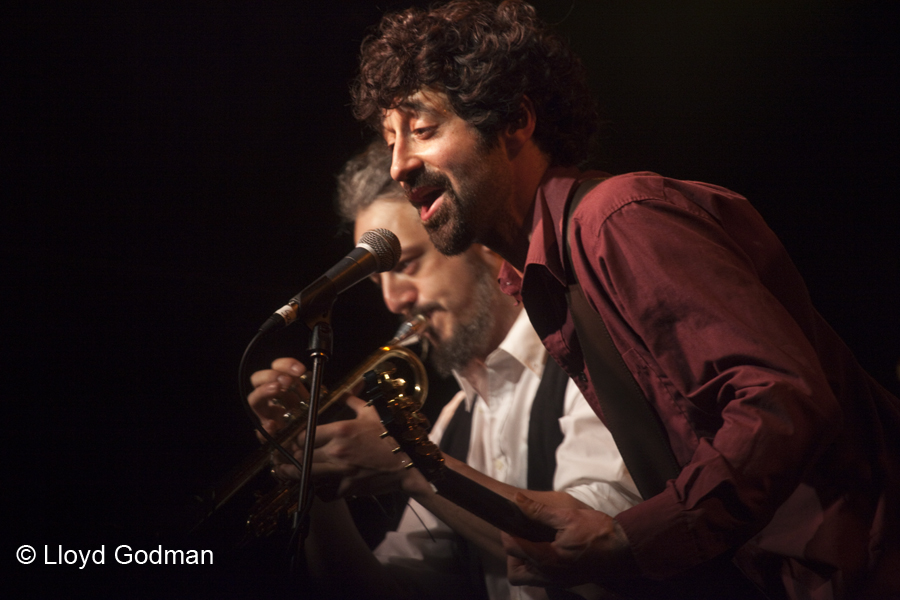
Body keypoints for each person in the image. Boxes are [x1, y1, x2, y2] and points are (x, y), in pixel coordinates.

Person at [349, 1, 900, 598]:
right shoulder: (542, 279)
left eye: (423, 130)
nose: (401, 164)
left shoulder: (618, 219)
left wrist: (634, 538)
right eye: (391, 139)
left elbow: (783, 399)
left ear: (515, 121)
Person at [248, 140, 640, 600]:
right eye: (379, 281)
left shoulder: (587, 368)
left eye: (408, 265)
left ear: (486, 245)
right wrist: (311, 478)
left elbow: (598, 552)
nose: (394, 300)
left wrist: (409, 464)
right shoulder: (455, 419)